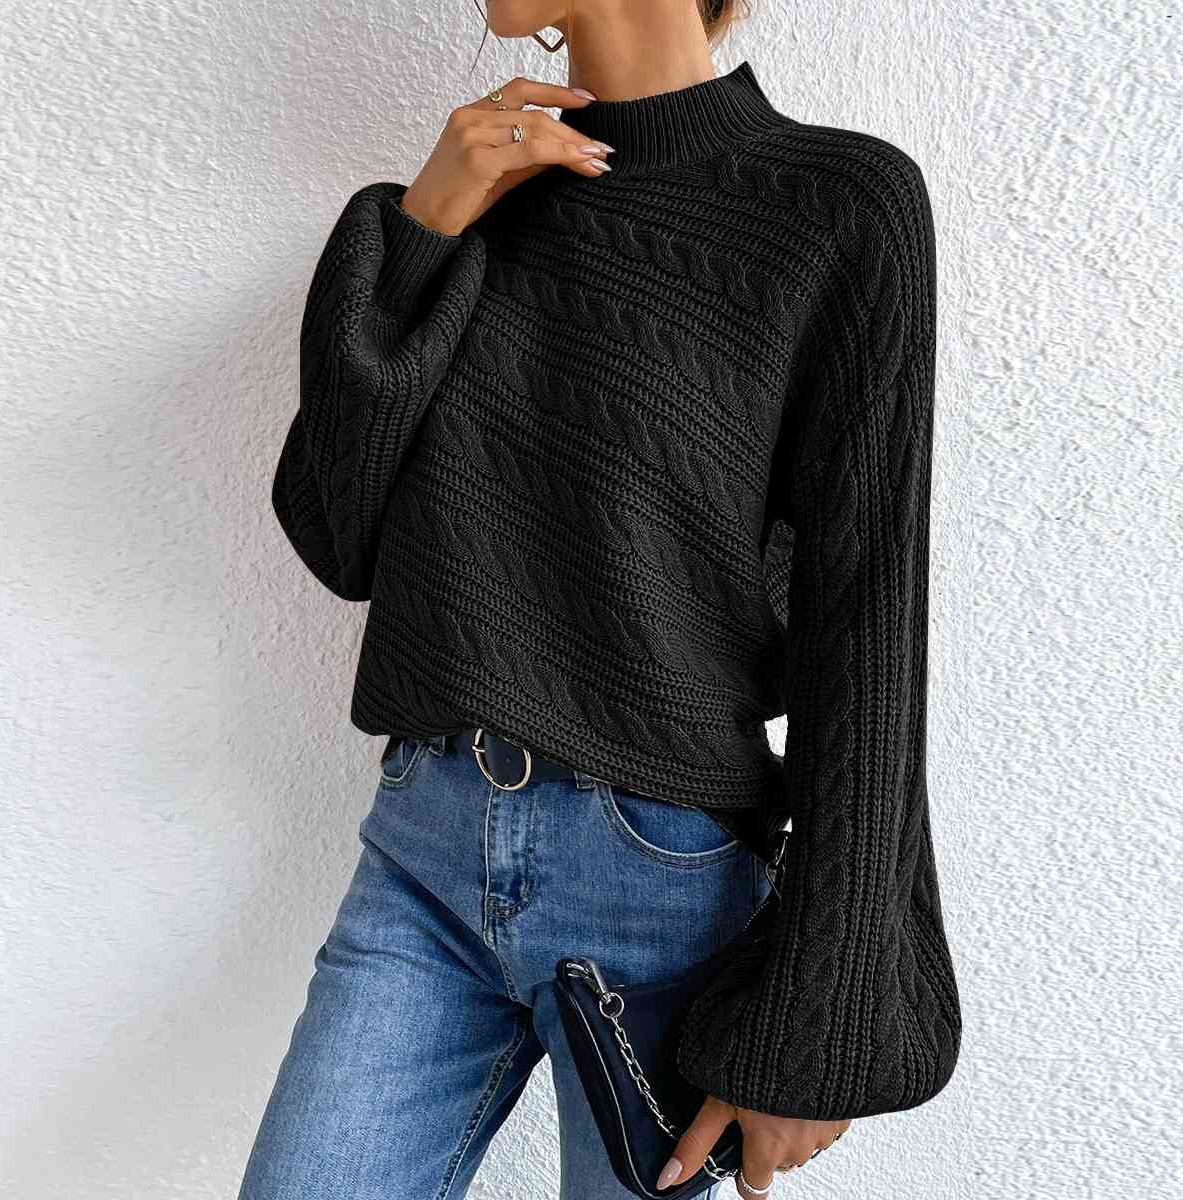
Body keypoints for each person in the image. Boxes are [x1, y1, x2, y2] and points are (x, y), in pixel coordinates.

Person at [239, 2, 963, 1197]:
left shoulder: (838, 202)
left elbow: (867, 628)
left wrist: (819, 1018)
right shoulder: (471, 196)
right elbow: (335, 533)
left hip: (660, 880)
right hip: (422, 853)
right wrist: (423, 229)